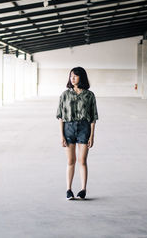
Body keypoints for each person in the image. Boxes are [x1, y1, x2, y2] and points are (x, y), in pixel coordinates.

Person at [56, 67, 98, 200]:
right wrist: (61, 135)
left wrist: (92, 135)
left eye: (75, 76)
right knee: (71, 160)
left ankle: (83, 190)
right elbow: (60, 116)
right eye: (71, 76)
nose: (72, 78)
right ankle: (69, 189)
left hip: (84, 128)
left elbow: (93, 117)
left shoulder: (89, 95)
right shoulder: (65, 95)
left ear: (82, 77)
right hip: (68, 128)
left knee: (82, 160)